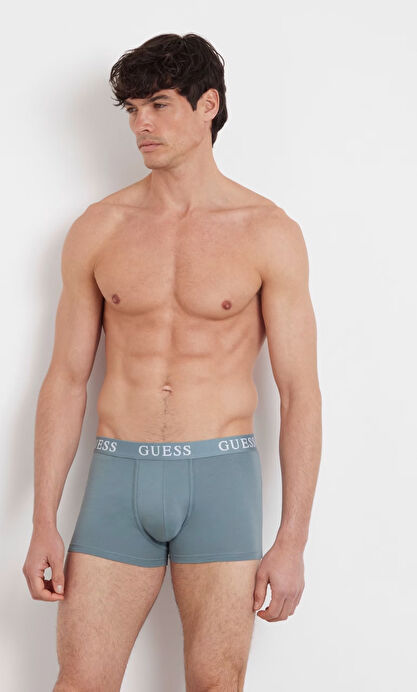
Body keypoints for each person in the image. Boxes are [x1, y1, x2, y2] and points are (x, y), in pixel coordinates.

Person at [22, 32, 322, 691]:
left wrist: (292, 541)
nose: (141, 125)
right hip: (117, 477)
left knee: (216, 682)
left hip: (222, 482)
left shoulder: (266, 231)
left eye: (158, 105)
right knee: (81, 680)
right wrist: (43, 520)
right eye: (132, 110)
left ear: (208, 105)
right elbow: (66, 379)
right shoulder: (99, 227)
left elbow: (299, 391)